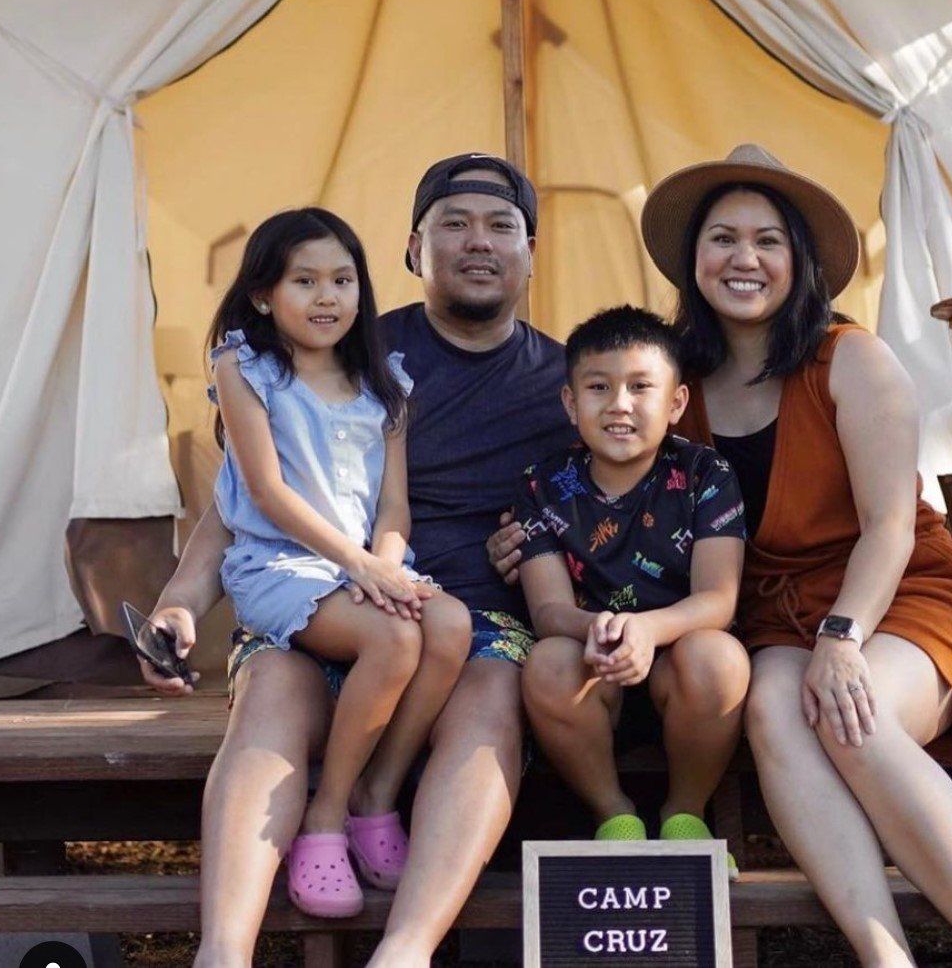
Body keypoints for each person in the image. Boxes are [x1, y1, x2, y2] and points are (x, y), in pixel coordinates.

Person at [490, 144, 952, 968]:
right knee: (777, 711)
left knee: (852, 716)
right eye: (722, 238)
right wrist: (529, 535)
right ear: (693, 258)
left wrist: (844, 638)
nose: (744, 258)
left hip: (891, 595)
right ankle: (883, 954)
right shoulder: (673, 378)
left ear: (799, 260)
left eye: (767, 240)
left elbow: (887, 526)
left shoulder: (850, 358)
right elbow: (604, 476)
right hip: (770, 610)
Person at [141, 156, 570, 968]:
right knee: (271, 692)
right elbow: (246, 501)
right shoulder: (346, 347)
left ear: (530, 249)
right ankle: (222, 952)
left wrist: (546, 546)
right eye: (453, 224)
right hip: (318, 606)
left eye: (499, 226)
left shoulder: (563, 382)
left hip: (467, 624)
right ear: (413, 248)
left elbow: (615, 498)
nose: (477, 243)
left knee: (490, 700)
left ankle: (402, 952)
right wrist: (182, 602)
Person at [204, 207, 470, 917]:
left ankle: (374, 795)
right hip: (285, 565)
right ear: (263, 294)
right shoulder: (245, 368)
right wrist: (361, 567)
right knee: (393, 637)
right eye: (305, 281)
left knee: (448, 628)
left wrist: (385, 564)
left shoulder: (384, 381)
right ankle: (323, 817)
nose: (328, 297)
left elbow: (393, 507)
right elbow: (267, 490)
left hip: (363, 564)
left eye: (343, 280)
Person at [517, 306, 749, 861]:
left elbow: (718, 598)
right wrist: (600, 631)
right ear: (571, 403)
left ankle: (684, 812)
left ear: (676, 403)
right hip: (593, 673)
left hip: (681, 670)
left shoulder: (704, 475)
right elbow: (548, 609)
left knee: (719, 658)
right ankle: (614, 813)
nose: (619, 404)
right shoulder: (543, 484)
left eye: (640, 387)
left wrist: (647, 630)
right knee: (547, 660)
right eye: (598, 387)